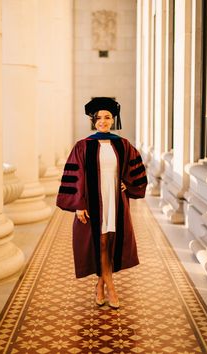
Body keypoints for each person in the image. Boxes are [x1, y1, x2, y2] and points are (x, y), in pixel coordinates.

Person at [56, 97, 147, 309]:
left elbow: (136, 171)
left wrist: (127, 184)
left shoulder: (123, 144)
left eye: (107, 117)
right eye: (99, 118)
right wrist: (79, 204)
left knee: (111, 240)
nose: (103, 121)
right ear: (93, 121)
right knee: (100, 241)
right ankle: (110, 286)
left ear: (113, 120)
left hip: (114, 199)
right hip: (92, 201)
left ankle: (100, 284)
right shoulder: (83, 146)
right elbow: (74, 175)